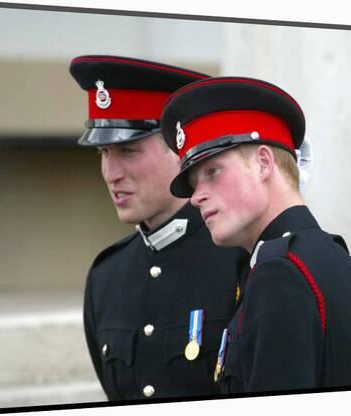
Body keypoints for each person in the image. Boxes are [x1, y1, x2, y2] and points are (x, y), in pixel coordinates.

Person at [161, 76, 351, 393]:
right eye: (194, 183)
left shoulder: (279, 273)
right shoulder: (344, 263)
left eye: (212, 172)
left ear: (264, 163)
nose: (195, 197)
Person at [69, 56, 249, 400]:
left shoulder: (239, 258)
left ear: (181, 150)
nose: (111, 173)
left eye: (128, 151)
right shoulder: (106, 276)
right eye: (104, 152)